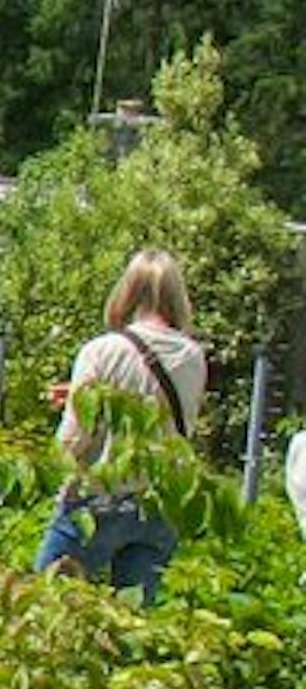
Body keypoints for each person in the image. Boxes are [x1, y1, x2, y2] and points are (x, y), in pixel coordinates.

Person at [35, 248, 208, 601]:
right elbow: (168, 420)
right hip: (158, 505)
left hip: (98, 499)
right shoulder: (193, 356)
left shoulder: (101, 351)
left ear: (127, 291)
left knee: (45, 604)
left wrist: (47, 474)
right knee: (132, 622)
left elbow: (74, 438)